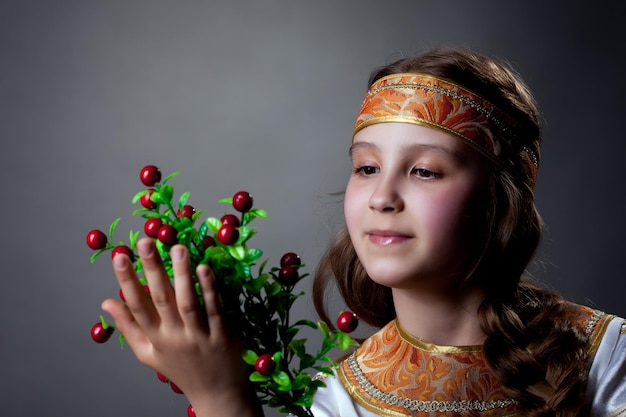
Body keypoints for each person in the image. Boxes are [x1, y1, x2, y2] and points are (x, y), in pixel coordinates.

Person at [102, 47, 626, 417]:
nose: (382, 197)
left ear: (503, 197)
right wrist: (221, 399)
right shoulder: (334, 401)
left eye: (424, 171)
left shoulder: (605, 357)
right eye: (367, 168)